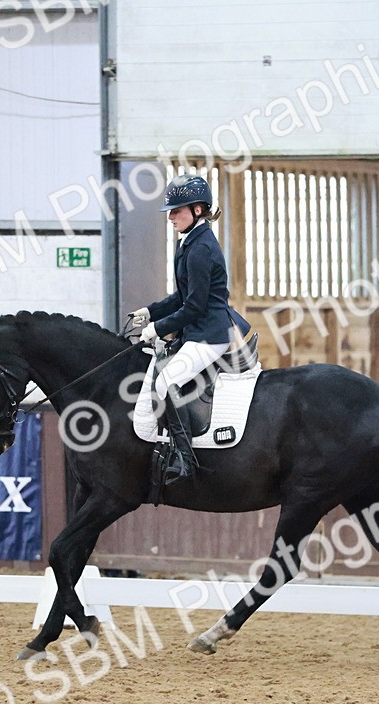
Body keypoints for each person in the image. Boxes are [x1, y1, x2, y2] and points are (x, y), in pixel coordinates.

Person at [130, 174, 250, 486]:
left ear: (197, 210)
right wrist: (149, 312)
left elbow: (194, 306)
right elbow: (180, 297)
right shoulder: (191, 242)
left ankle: (184, 459)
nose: (170, 217)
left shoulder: (201, 249)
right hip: (197, 330)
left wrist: (157, 329)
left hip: (209, 335)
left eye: (176, 210)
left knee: (166, 382)